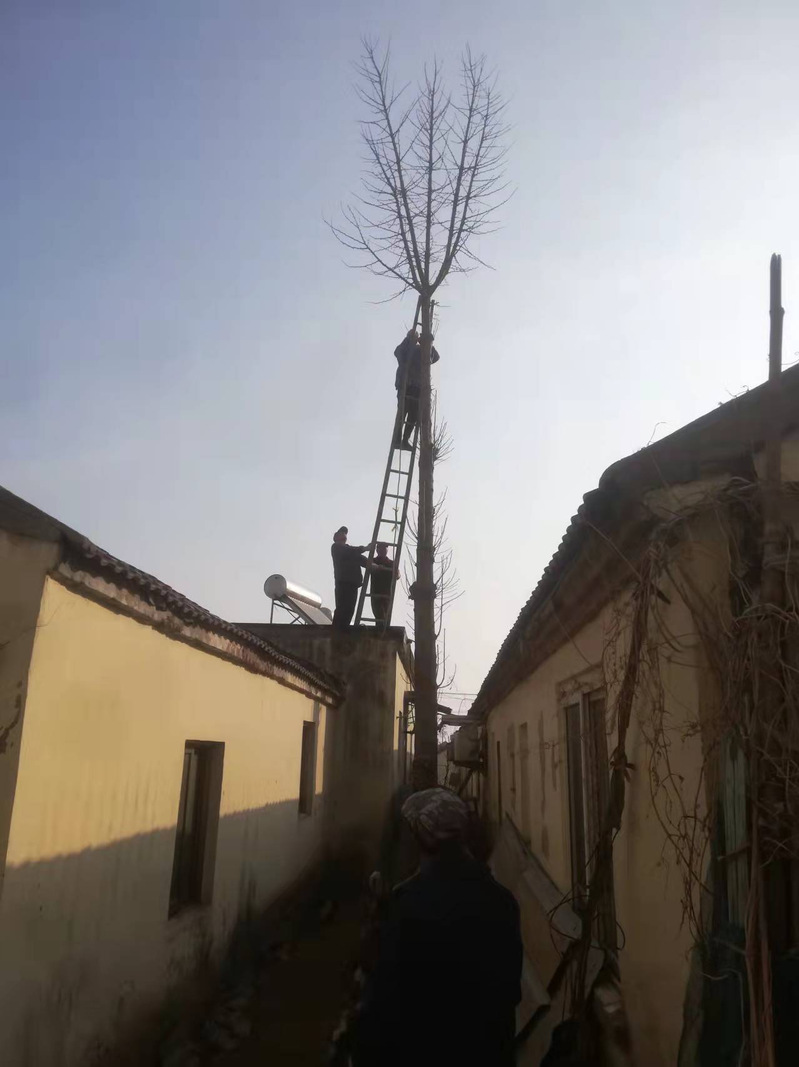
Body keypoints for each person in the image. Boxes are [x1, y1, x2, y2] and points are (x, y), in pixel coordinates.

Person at [352, 788, 522, 1067]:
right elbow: (510, 993)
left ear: (420, 838)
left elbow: (382, 1006)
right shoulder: (502, 902)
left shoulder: (407, 907)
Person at [394, 329, 440, 448]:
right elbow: (398, 352)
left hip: (418, 388)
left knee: (413, 416)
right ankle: (397, 440)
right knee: (402, 413)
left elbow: (435, 357)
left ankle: (405, 440)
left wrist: (428, 344)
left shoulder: (421, 351)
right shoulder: (405, 350)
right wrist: (408, 340)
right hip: (406, 386)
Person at [330, 526, 372, 629]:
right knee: (342, 608)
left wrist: (374, 565)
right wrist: (365, 548)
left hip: (353, 584)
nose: (344, 535)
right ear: (336, 537)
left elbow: (361, 559)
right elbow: (350, 551)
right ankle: (337, 631)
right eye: (342, 533)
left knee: (350, 609)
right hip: (343, 584)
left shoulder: (350, 550)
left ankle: (344, 630)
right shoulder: (336, 547)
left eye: (345, 533)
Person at [369, 542, 397, 625]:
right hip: (376, 592)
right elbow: (369, 566)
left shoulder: (391, 563)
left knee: (385, 615)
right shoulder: (373, 561)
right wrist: (376, 567)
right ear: (377, 550)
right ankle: (380, 630)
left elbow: (398, 574)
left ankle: (383, 630)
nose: (383, 550)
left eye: (384, 548)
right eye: (381, 548)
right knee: (379, 614)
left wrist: (397, 574)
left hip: (387, 593)